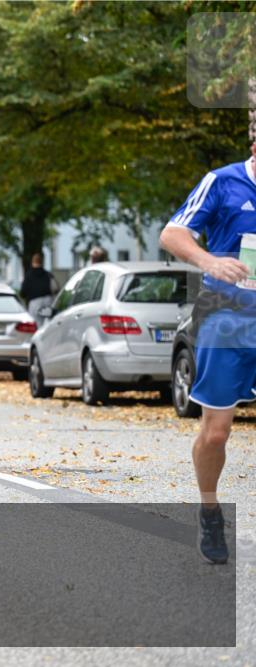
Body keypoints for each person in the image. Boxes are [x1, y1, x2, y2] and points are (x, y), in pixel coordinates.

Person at [159, 141, 256, 565]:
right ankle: (210, 510)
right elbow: (172, 233)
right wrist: (210, 262)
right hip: (226, 314)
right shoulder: (221, 182)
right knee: (216, 433)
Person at [19, 252, 58, 327]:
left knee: (35, 325)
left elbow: (23, 292)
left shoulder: (28, 276)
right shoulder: (48, 274)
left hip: (35, 303)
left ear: (32, 262)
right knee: (47, 324)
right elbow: (56, 288)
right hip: (48, 301)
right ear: (42, 262)